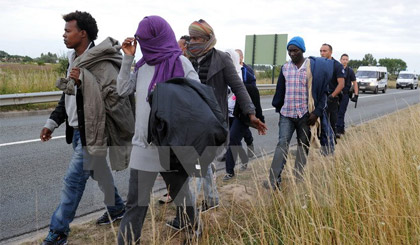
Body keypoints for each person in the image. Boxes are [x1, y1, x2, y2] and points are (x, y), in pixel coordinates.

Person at [40, 11, 133, 245]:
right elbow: (67, 97)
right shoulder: (74, 58)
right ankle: (117, 208)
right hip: (77, 131)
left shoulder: (100, 61)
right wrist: (52, 123)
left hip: (93, 131)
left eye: (68, 30)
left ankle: (59, 232)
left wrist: (84, 83)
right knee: (99, 174)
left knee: (73, 181)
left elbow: (114, 97)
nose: (64, 35)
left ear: (82, 33)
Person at [116, 16, 200, 244]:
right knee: (135, 203)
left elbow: (197, 98)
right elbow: (122, 90)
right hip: (143, 146)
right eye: (141, 40)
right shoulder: (142, 65)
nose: (144, 45)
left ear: (159, 37)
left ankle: (194, 230)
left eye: (146, 40)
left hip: (171, 147)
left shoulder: (181, 64)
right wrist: (128, 58)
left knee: (182, 195)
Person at [184, 19, 266, 213]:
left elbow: (238, 86)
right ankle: (211, 199)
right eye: (191, 37)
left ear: (207, 38)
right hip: (190, 120)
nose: (192, 42)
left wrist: (251, 113)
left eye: (197, 38)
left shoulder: (221, 58)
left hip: (212, 120)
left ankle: (189, 212)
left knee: (196, 164)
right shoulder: (185, 59)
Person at [265, 36, 331, 190]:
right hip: (287, 114)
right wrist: (278, 106)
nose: (292, 53)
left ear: (302, 50)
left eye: (295, 50)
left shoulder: (312, 67)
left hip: (305, 116)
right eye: (289, 51)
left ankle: (298, 176)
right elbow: (280, 90)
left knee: (303, 146)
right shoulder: (285, 68)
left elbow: (322, 93)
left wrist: (317, 112)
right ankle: (274, 179)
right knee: (282, 144)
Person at [223, 49, 265, 181]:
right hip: (227, 112)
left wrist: (258, 117)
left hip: (241, 113)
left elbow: (253, 94)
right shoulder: (222, 72)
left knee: (233, 139)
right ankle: (244, 157)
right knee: (234, 139)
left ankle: (229, 171)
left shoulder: (245, 72)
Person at [319, 43, 345, 153]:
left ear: (331, 52)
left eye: (324, 51)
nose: (322, 53)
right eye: (321, 51)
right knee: (321, 124)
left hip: (332, 98)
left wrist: (332, 96)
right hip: (320, 97)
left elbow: (341, 84)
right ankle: (324, 147)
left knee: (331, 123)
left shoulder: (337, 65)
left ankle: (331, 147)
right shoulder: (319, 64)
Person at [236, 49, 257, 157]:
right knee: (232, 131)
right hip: (232, 105)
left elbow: (253, 86)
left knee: (244, 127)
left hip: (244, 103)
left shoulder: (247, 70)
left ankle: (249, 143)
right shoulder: (230, 69)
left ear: (241, 57)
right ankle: (232, 152)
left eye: (236, 56)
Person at [336, 53, 358, 137]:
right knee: (336, 113)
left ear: (348, 61)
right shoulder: (337, 69)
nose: (344, 61)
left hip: (345, 95)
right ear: (340, 60)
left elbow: (355, 83)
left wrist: (356, 95)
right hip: (337, 94)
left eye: (346, 59)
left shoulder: (350, 71)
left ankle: (339, 131)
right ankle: (340, 129)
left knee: (341, 112)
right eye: (343, 59)